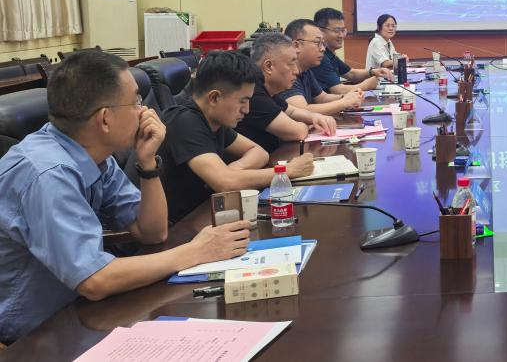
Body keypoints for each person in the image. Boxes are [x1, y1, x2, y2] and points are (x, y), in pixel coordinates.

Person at [0, 51, 250, 344]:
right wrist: (197, 251)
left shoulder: (94, 155)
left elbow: (152, 232)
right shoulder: (47, 174)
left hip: (80, 312)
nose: (145, 112)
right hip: (32, 336)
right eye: (136, 102)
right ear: (105, 119)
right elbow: (95, 280)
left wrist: (147, 164)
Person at [156, 50, 314, 223]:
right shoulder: (183, 121)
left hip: (209, 213)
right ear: (214, 97)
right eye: (242, 101)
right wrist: (287, 172)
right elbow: (225, 183)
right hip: (181, 227)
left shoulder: (214, 120)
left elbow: (259, 152)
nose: (247, 109)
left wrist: (233, 170)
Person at [236, 32, 338, 154]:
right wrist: (307, 125)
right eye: (291, 63)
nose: (296, 71)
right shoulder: (254, 94)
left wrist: (316, 117)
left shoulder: (269, 90)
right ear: (268, 66)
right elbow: (297, 133)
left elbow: (291, 111)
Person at [280, 19, 364, 114]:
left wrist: (346, 97)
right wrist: (344, 103)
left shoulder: (306, 70)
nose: (323, 49)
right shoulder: (286, 72)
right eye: (318, 43)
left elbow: (322, 98)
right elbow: (302, 110)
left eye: (323, 44)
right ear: (296, 45)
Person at [309, 7, 391, 94]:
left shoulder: (330, 54)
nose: (341, 35)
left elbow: (351, 74)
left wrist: (373, 72)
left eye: (343, 30)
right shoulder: (320, 56)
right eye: (336, 30)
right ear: (320, 31)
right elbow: (338, 90)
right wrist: (366, 85)